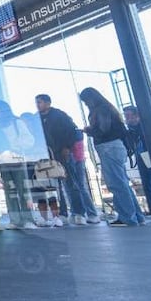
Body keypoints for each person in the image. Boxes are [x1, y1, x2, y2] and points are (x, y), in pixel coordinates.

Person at [79, 87, 144, 226]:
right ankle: (137, 216)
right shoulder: (108, 107)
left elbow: (103, 129)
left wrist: (88, 130)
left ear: (90, 99)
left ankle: (127, 218)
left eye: (85, 101)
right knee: (122, 183)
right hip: (116, 147)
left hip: (108, 147)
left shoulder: (101, 109)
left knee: (116, 184)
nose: (86, 104)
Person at [36, 94, 100, 225]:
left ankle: (86, 213)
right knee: (66, 185)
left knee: (77, 184)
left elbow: (71, 131)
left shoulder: (59, 115)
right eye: (37, 103)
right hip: (55, 154)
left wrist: (67, 148)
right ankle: (74, 212)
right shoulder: (39, 119)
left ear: (48, 103)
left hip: (66, 152)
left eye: (40, 102)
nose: (38, 105)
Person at [0, 100, 38, 229]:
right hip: (4, 161)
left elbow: (29, 140)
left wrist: (14, 146)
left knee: (23, 190)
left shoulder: (17, 123)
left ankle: (28, 219)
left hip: (17, 159)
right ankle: (15, 219)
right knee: (9, 190)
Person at [123, 106, 151, 216]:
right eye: (126, 116)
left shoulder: (144, 126)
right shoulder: (130, 130)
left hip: (147, 154)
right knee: (146, 182)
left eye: (130, 115)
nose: (128, 119)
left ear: (137, 115)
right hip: (140, 155)